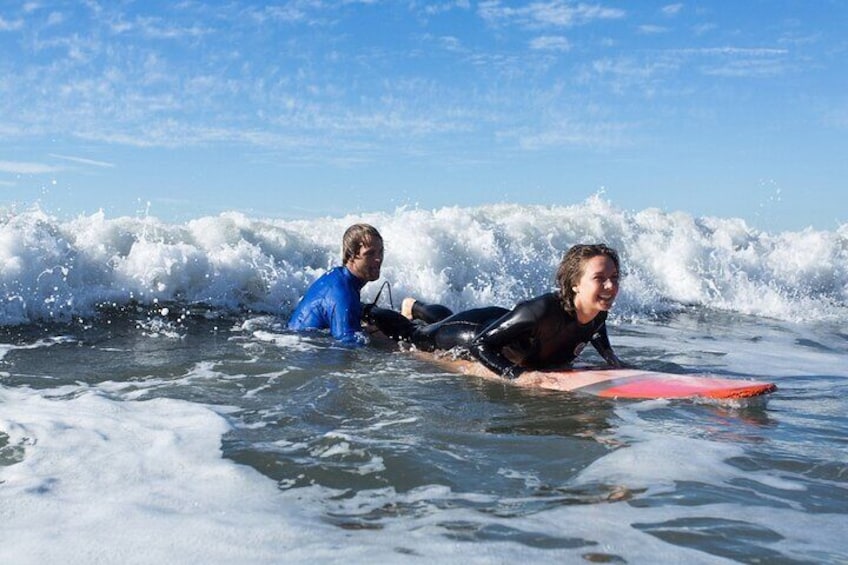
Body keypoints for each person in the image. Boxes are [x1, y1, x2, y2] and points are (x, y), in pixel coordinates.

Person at [365, 243, 624, 378]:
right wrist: (516, 375)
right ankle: (369, 310)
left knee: (446, 318)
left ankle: (415, 305)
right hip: (472, 333)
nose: (610, 285)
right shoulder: (543, 310)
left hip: (502, 321)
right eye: (600, 278)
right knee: (416, 335)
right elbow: (480, 345)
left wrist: (610, 358)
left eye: (614, 276)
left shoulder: (598, 308)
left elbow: (595, 328)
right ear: (575, 284)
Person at [288, 223, 384, 346]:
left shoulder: (342, 278)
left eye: (380, 252)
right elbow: (348, 348)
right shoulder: (342, 294)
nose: (378, 259)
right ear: (351, 256)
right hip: (304, 350)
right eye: (370, 254)